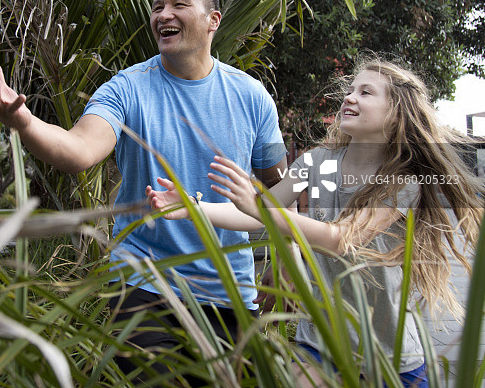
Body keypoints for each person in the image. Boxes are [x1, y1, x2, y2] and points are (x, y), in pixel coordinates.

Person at [0, 0, 287, 377]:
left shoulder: (252, 96)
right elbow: (78, 149)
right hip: (143, 282)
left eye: (178, 5)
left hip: (229, 288)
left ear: (213, 20)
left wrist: (287, 251)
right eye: (157, 7)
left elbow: (279, 186)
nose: (162, 14)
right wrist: (25, 123)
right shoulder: (127, 88)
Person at [148, 57, 484, 388]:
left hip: (389, 356)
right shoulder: (319, 163)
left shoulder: (401, 180)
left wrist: (258, 207)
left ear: (395, 113)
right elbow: (255, 213)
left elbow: (342, 239)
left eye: (366, 92)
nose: (350, 97)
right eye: (350, 90)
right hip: (319, 345)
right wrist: (197, 208)